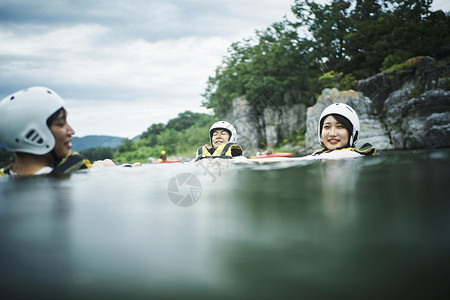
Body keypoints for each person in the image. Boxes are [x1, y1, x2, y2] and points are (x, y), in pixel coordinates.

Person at [0, 86, 91, 176]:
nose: (71, 131)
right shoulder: (62, 183)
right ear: (33, 135)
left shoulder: (5, 177)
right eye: (61, 124)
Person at [312, 103, 376, 158]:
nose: (332, 133)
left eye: (340, 126)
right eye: (327, 127)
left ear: (352, 132)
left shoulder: (352, 155)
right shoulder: (318, 155)